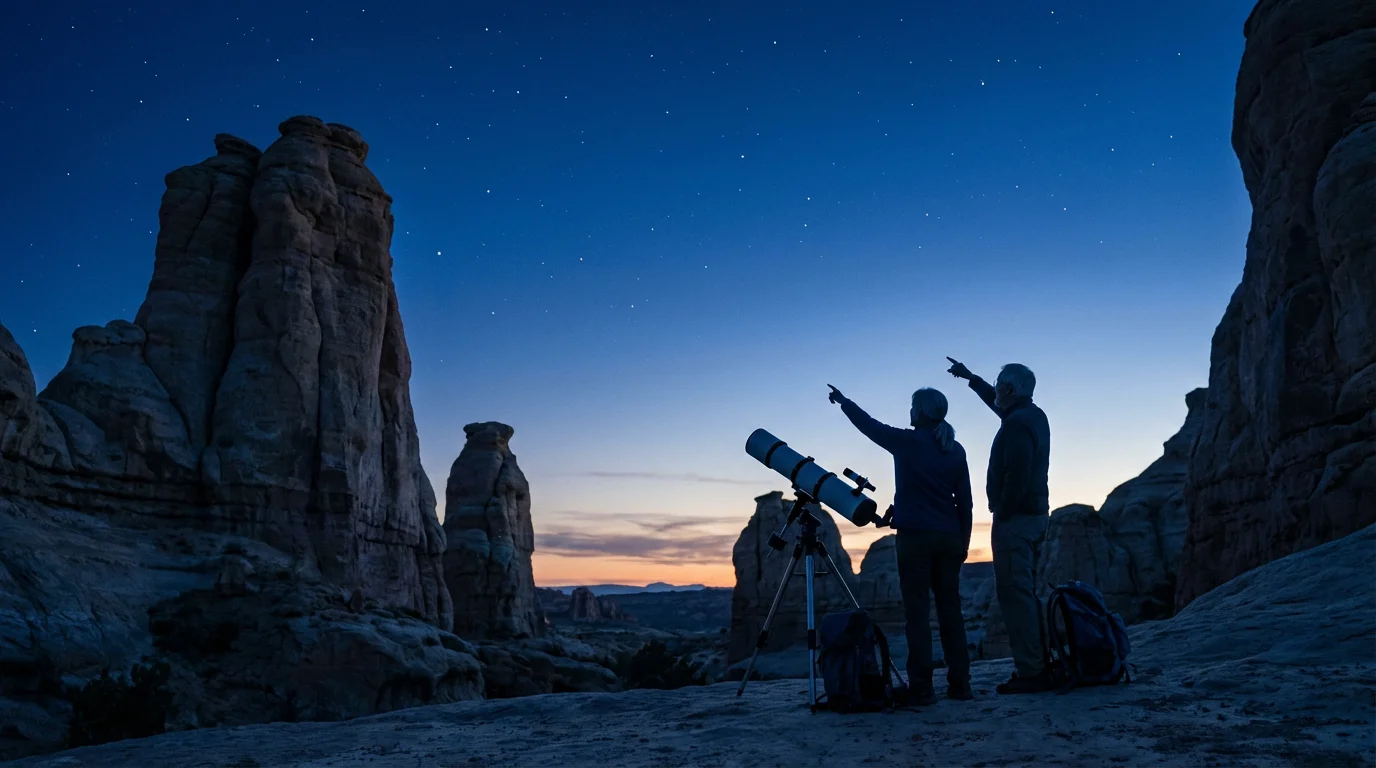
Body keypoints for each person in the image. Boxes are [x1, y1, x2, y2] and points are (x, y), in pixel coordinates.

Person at [826, 384, 974, 704]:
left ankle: (922, 688)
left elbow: (869, 426)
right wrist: (964, 543)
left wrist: (845, 402)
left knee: (918, 615)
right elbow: (965, 502)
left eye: (911, 406)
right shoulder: (956, 449)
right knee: (951, 613)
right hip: (950, 538)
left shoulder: (907, 442)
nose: (909, 411)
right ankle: (961, 684)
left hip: (916, 539)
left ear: (920, 412)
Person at [945, 357, 1052, 694]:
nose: (995, 391)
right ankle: (1039, 663)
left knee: (1014, 595)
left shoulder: (1017, 425)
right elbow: (997, 404)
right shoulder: (1031, 415)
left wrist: (1002, 509)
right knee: (1025, 592)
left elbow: (1018, 474)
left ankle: (1032, 672)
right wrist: (970, 378)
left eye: (997, 386)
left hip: (1016, 521)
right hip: (1033, 516)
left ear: (1008, 388)